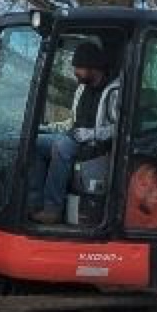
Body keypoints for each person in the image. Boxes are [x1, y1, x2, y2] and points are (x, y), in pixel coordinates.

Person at [32, 42, 119, 225]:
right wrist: (47, 127)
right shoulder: (81, 89)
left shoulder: (113, 91)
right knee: (34, 142)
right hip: (74, 137)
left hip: (94, 145)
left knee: (61, 147)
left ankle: (52, 208)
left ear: (92, 67)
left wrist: (90, 134)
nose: (75, 72)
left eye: (78, 67)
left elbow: (118, 128)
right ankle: (34, 201)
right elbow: (72, 122)